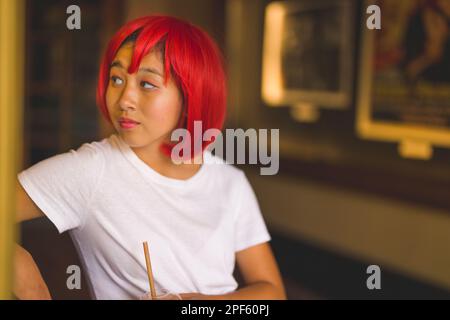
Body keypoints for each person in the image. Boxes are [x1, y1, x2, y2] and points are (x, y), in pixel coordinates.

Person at [14, 15, 286, 300]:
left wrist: (198, 304)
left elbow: (272, 293)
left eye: (146, 84)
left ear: (190, 95)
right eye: (117, 79)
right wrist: (22, 270)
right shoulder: (91, 170)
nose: (124, 100)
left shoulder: (229, 182)